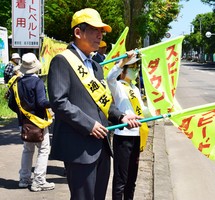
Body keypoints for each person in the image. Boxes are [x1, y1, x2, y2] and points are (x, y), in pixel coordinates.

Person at [47, 8, 141, 200]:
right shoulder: (62, 61)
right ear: (78, 32)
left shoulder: (96, 66)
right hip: (79, 147)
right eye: (94, 30)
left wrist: (122, 116)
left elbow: (103, 102)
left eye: (102, 31)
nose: (100, 35)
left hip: (102, 147)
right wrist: (89, 124)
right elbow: (59, 102)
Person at [8, 52, 55, 192]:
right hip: (38, 122)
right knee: (44, 149)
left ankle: (24, 179)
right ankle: (39, 181)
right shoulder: (37, 82)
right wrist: (54, 103)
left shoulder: (18, 82)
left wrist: (22, 115)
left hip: (24, 123)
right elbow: (41, 102)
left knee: (28, 150)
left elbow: (11, 104)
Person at [107, 55, 151, 200]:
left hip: (137, 135)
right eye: (132, 68)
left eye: (137, 68)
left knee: (132, 179)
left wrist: (160, 111)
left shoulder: (135, 88)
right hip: (123, 136)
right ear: (123, 71)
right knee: (121, 179)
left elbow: (143, 110)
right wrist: (122, 62)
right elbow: (109, 78)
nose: (136, 71)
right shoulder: (118, 86)